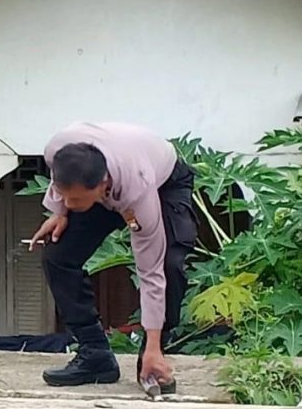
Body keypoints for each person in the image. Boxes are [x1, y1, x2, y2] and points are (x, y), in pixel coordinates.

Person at [30, 122, 198, 393]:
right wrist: (61, 211)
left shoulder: (138, 191)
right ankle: (95, 354)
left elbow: (151, 273)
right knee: (58, 255)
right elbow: (59, 179)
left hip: (164, 181)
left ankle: (153, 357)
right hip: (99, 178)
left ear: (103, 185)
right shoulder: (55, 150)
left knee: (168, 265)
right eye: (66, 197)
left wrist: (153, 344)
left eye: (77, 201)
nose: (72, 205)